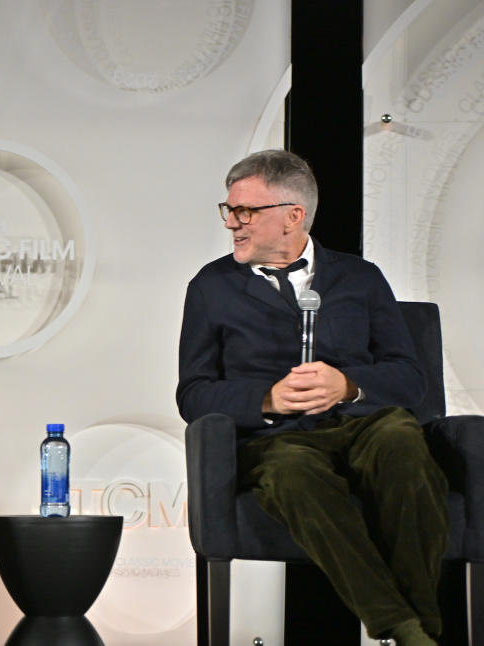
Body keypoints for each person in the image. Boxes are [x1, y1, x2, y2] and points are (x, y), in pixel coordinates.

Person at [176, 150, 448, 646]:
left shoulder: (360, 278)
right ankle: (411, 630)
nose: (232, 224)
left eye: (246, 212)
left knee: (402, 441)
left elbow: (410, 379)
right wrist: (268, 398)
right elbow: (194, 394)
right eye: (229, 210)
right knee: (291, 475)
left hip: (361, 423)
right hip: (275, 439)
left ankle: (417, 627)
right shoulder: (211, 287)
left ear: (293, 216)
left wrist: (348, 385)